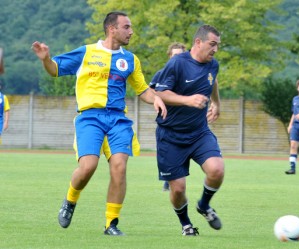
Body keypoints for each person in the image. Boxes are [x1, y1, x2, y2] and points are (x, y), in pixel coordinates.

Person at [31, 11, 167, 236]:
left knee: (120, 167)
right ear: (112, 28)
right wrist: (46, 58)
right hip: (90, 118)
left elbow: (143, 90)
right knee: (88, 167)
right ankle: (70, 201)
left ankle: (111, 224)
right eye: (126, 27)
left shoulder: (130, 60)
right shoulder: (87, 52)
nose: (131, 31)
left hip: (118, 120)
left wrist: (157, 98)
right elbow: (55, 70)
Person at [152, 24, 224, 236]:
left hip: (199, 132)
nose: (216, 49)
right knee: (178, 189)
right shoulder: (177, 64)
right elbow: (159, 93)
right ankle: (186, 224)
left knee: (217, 170)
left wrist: (217, 103)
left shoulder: (213, 64)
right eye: (212, 44)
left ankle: (204, 205)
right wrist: (187, 100)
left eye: (218, 45)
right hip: (170, 136)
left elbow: (213, 82)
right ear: (198, 42)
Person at [150, 42, 187, 191]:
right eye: (174, 55)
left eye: (180, 55)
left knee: (184, 150)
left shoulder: (189, 75)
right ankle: (168, 177)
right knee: (166, 152)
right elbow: (149, 91)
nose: (177, 58)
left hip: (185, 122)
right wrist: (156, 100)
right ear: (169, 57)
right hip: (166, 122)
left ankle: (174, 178)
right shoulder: (161, 74)